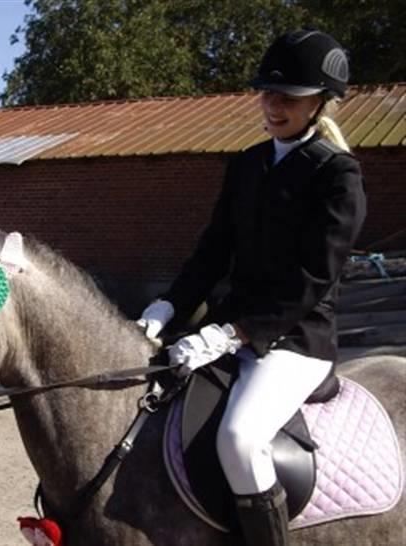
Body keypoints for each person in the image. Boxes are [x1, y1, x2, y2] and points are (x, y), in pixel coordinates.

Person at [138, 30, 366, 546]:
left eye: (289, 98)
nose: (273, 105)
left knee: (239, 439)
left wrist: (236, 333)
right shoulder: (247, 163)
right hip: (227, 328)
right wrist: (169, 305)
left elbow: (313, 278)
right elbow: (213, 250)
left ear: (319, 103)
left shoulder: (338, 175)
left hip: (295, 340)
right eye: (267, 93)